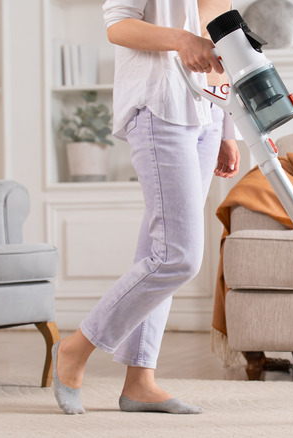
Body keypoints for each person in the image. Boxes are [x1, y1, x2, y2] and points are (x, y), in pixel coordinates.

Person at [51, 0, 239, 415]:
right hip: (159, 106)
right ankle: (74, 349)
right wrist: (180, 40)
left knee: (159, 251)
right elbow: (118, 26)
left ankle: (140, 381)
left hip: (206, 114)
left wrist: (227, 126)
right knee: (178, 256)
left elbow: (218, 38)